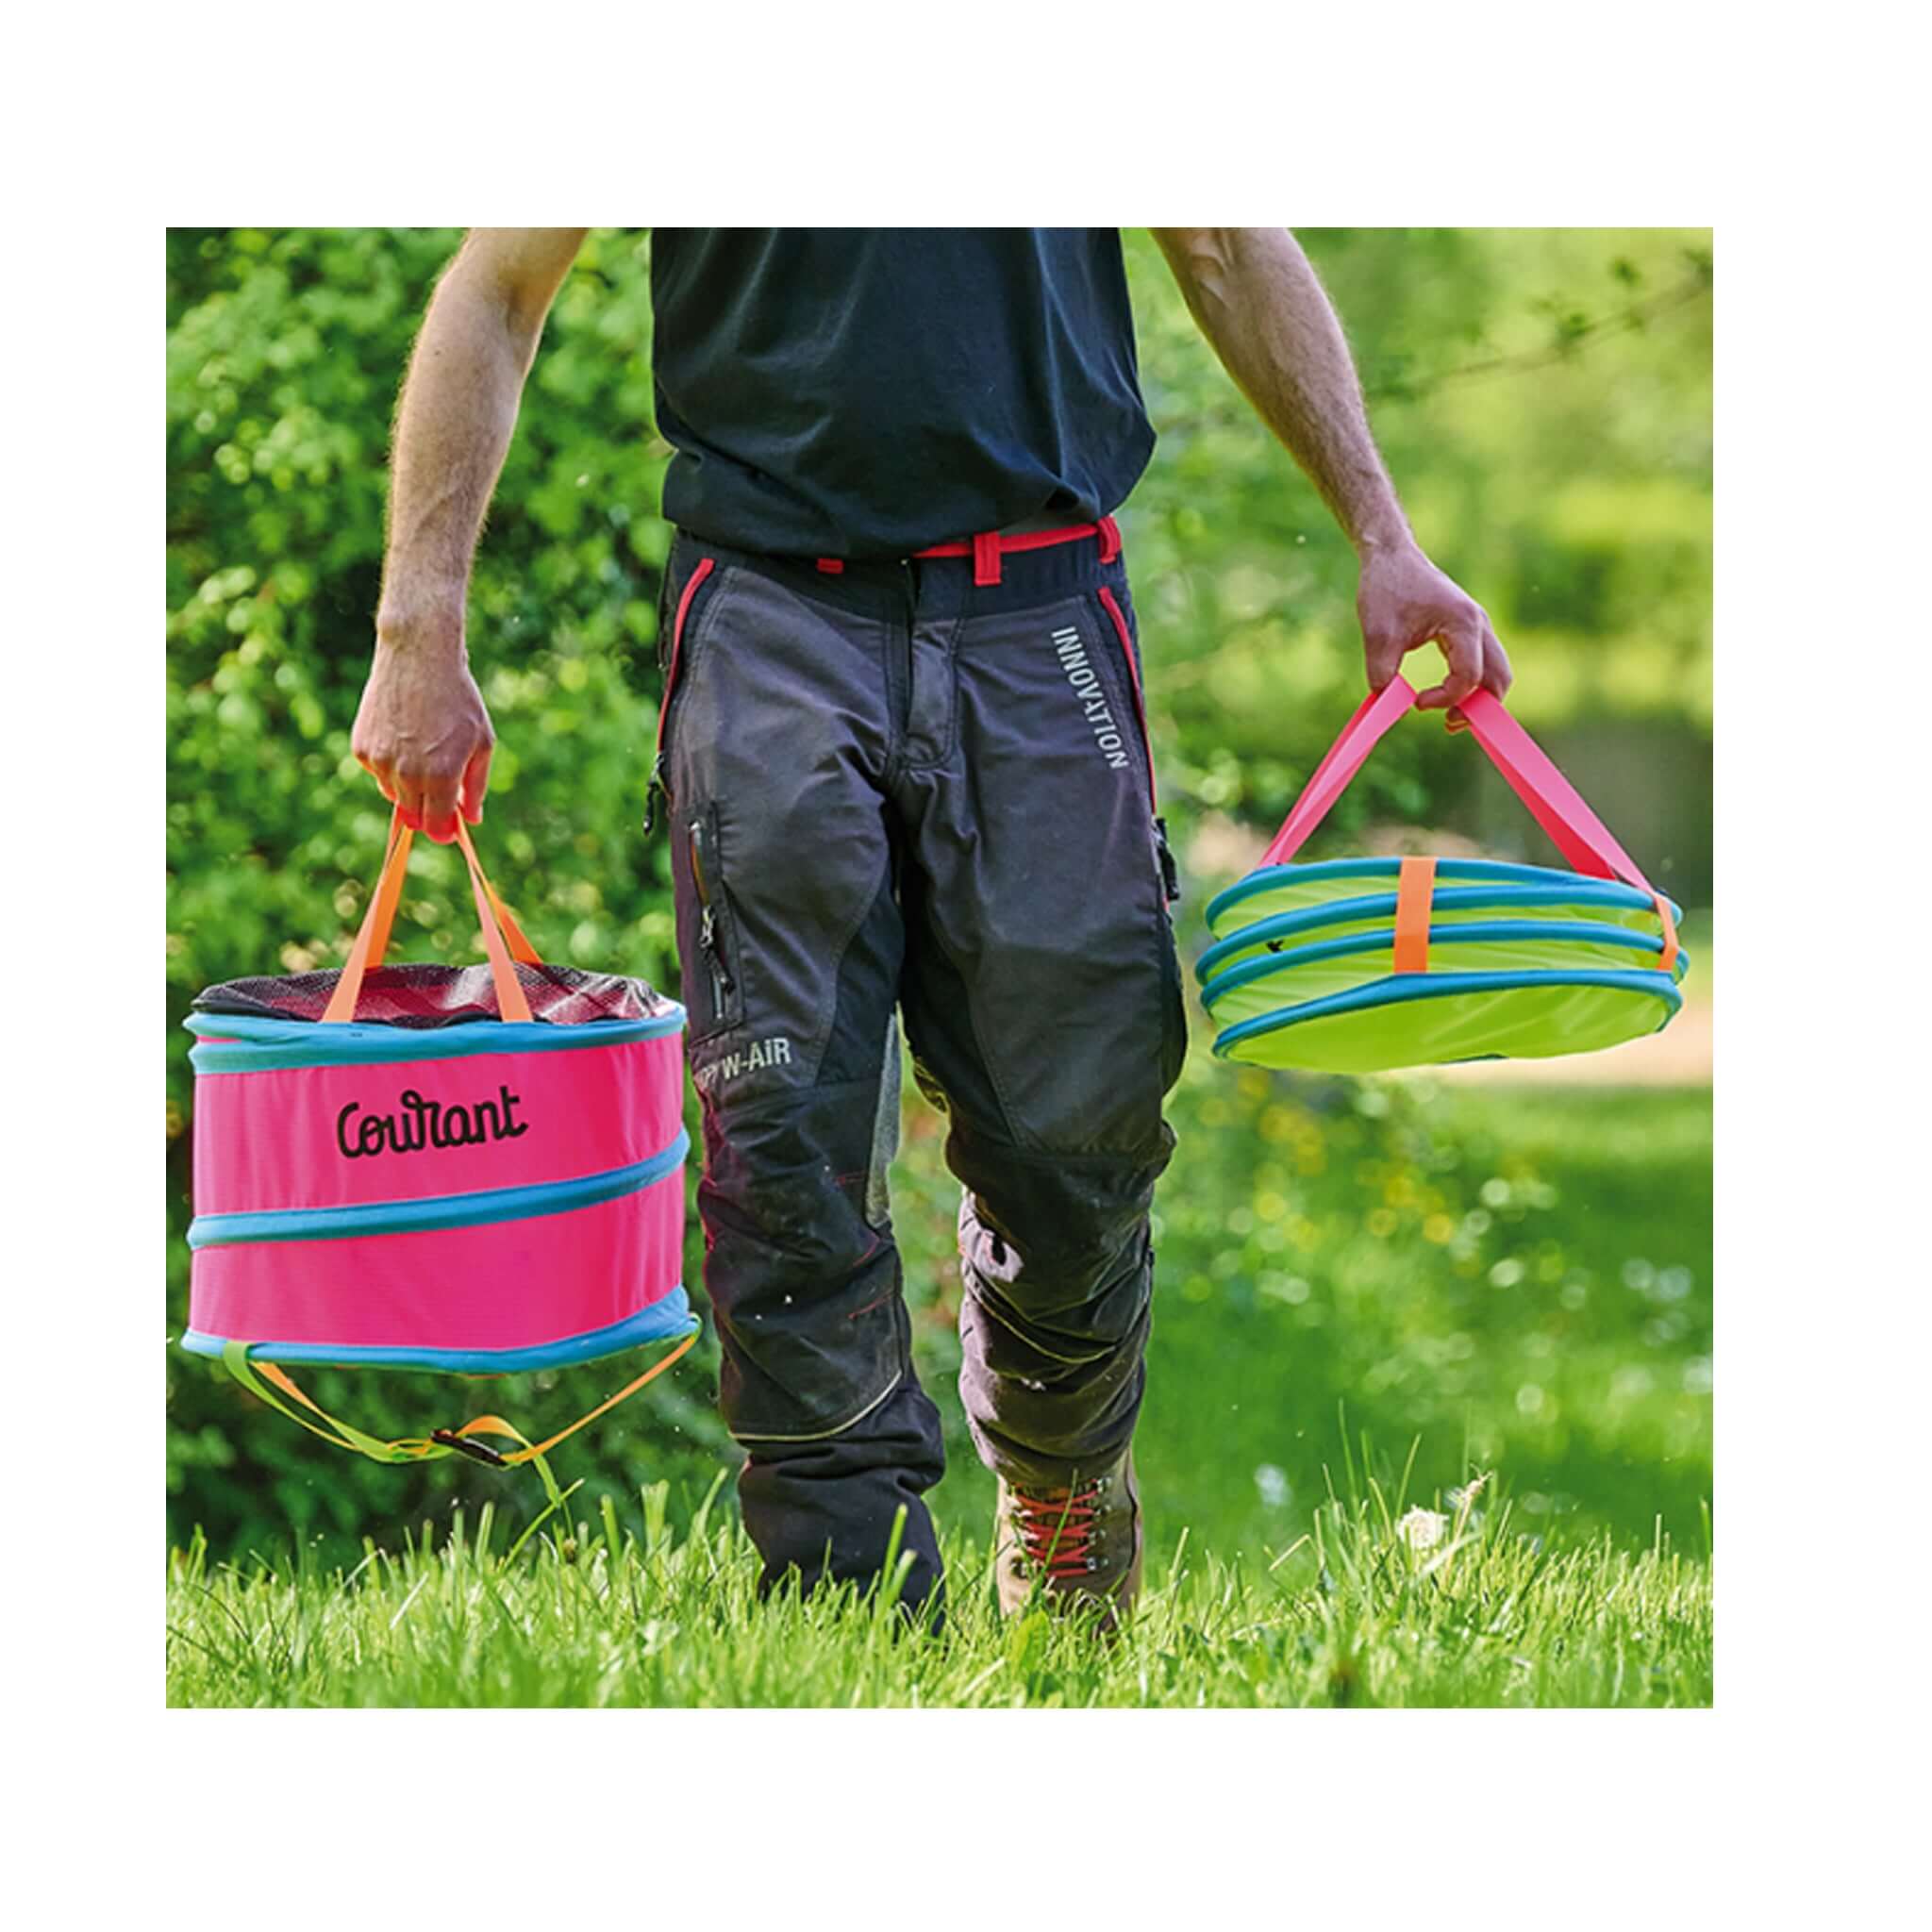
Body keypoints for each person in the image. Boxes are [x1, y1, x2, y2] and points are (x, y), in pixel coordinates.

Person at [350, 227, 1511, 1628]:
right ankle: (846, 1604)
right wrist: (420, 630)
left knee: (1079, 1127)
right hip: (770, 607)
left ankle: (1066, 1487)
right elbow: (496, 286)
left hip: (1043, 616)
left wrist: (1386, 537)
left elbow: (1221, 241)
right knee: (777, 1127)